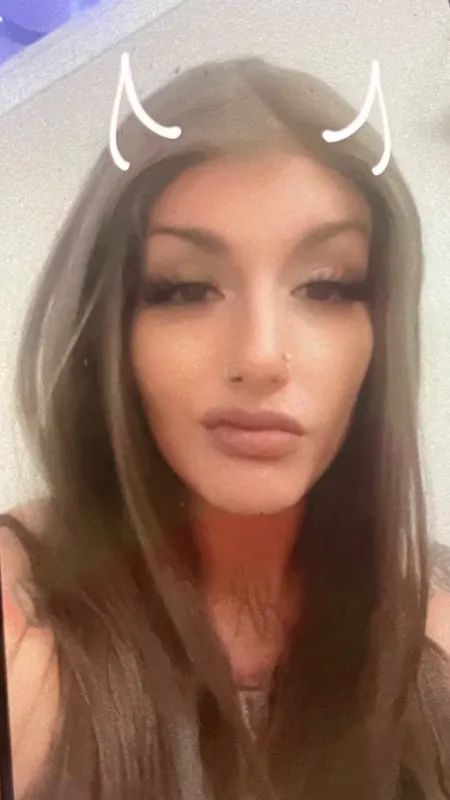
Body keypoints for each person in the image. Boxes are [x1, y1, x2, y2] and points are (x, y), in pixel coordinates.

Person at [0, 55, 449, 800]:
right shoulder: (26, 625)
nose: (261, 356)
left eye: (326, 287)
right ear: (110, 331)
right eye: (185, 288)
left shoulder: (431, 628)